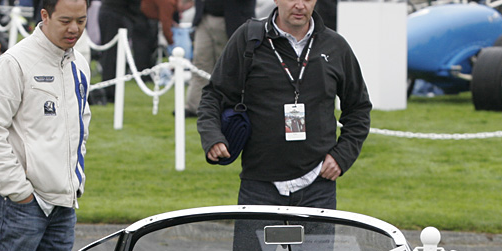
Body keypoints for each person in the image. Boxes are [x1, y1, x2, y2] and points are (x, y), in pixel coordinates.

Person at [197, 0, 370, 211]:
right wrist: (212, 137)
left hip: (318, 185)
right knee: (250, 246)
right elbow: (214, 94)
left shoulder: (335, 46)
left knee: (317, 246)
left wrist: (342, 156)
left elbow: (358, 107)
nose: (299, 5)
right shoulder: (249, 38)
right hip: (259, 184)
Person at [0, 0, 92, 251]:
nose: (74, 29)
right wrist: (21, 193)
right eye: (65, 21)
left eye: (81, 21)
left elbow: (81, 125)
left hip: (63, 205)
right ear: (45, 15)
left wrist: (75, 182)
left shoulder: (80, 64)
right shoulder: (14, 63)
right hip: (17, 206)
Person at [183, 0, 254, 116]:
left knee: (230, 68)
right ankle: (194, 106)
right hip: (204, 16)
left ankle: (231, 106)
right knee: (200, 64)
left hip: (233, 19)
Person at [93, 0, 155, 103]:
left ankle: (112, 92)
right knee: (111, 57)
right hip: (116, 14)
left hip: (117, 13)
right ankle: (109, 92)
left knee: (115, 57)